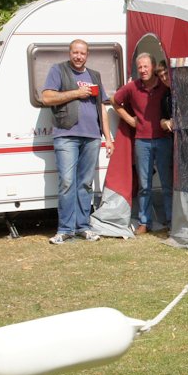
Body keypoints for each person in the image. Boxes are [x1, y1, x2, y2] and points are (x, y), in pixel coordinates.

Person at [42, 39, 114, 244]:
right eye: (75, 52)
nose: (78, 56)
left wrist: (108, 138)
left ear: (87, 55)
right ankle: (65, 229)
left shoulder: (94, 76)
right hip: (66, 135)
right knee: (67, 182)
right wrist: (77, 93)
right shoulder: (58, 70)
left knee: (85, 184)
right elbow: (46, 98)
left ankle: (83, 227)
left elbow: (102, 108)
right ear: (70, 52)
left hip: (92, 136)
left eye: (82, 53)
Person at [112, 53, 171, 235]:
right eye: (140, 67)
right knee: (144, 185)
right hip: (142, 141)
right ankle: (144, 222)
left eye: (146, 66)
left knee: (167, 183)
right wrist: (130, 119)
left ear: (153, 67)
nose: (143, 70)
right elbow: (115, 101)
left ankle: (171, 221)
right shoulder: (132, 87)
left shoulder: (165, 85)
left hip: (163, 140)